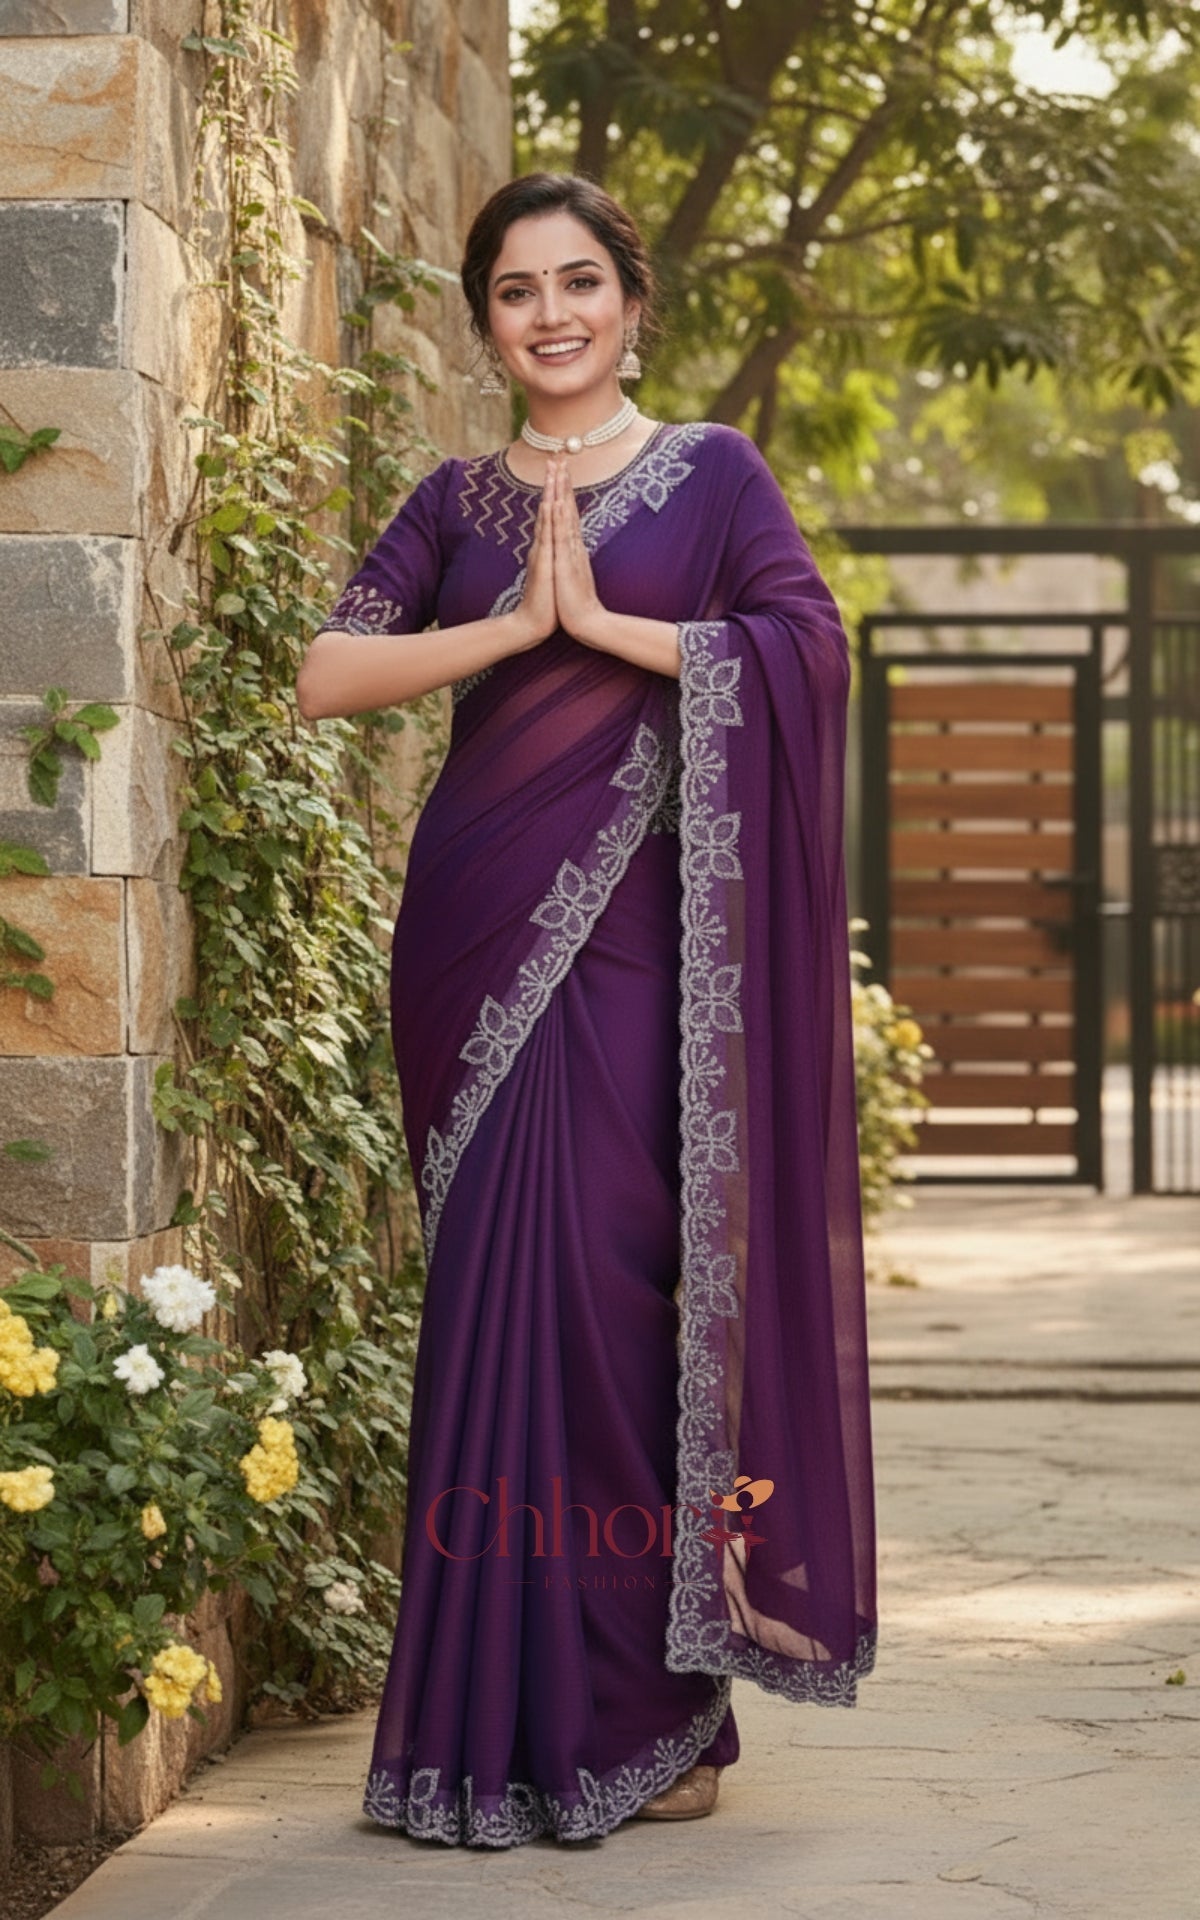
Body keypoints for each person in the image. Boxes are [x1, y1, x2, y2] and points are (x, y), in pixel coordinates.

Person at [296, 171, 877, 1850]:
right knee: (491, 1305)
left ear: (631, 299)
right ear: (486, 318)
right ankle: (484, 1732)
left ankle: (645, 1716)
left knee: (616, 1303)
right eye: (514, 292)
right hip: (474, 936)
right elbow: (334, 671)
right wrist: (507, 625)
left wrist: (609, 627)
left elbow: (806, 651)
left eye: (579, 284)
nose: (549, 316)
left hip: (634, 964)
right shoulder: (457, 495)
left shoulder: (713, 476)